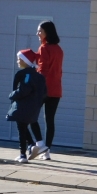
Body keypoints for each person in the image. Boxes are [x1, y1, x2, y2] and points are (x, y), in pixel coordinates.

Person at [30, 20, 64, 161]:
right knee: (50, 120)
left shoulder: (44, 48)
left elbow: (43, 70)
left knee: (30, 115)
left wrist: (34, 83)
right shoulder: (59, 49)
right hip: (56, 89)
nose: (37, 33)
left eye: (40, 31)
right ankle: (47, 151)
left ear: (46, 33)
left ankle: (40, 143)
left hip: (44, 88)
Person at [6, 49, 47, 163]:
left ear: (25, 61)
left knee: (21, 130)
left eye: (19, 59)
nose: (17, 61)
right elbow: (44, 93)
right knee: (23, 128)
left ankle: (22, 155)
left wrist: (12, 95)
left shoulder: (26, 75)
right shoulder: (39, 76)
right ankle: (31, 145)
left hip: (23, 106)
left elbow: (24, 89)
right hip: (34, 107)